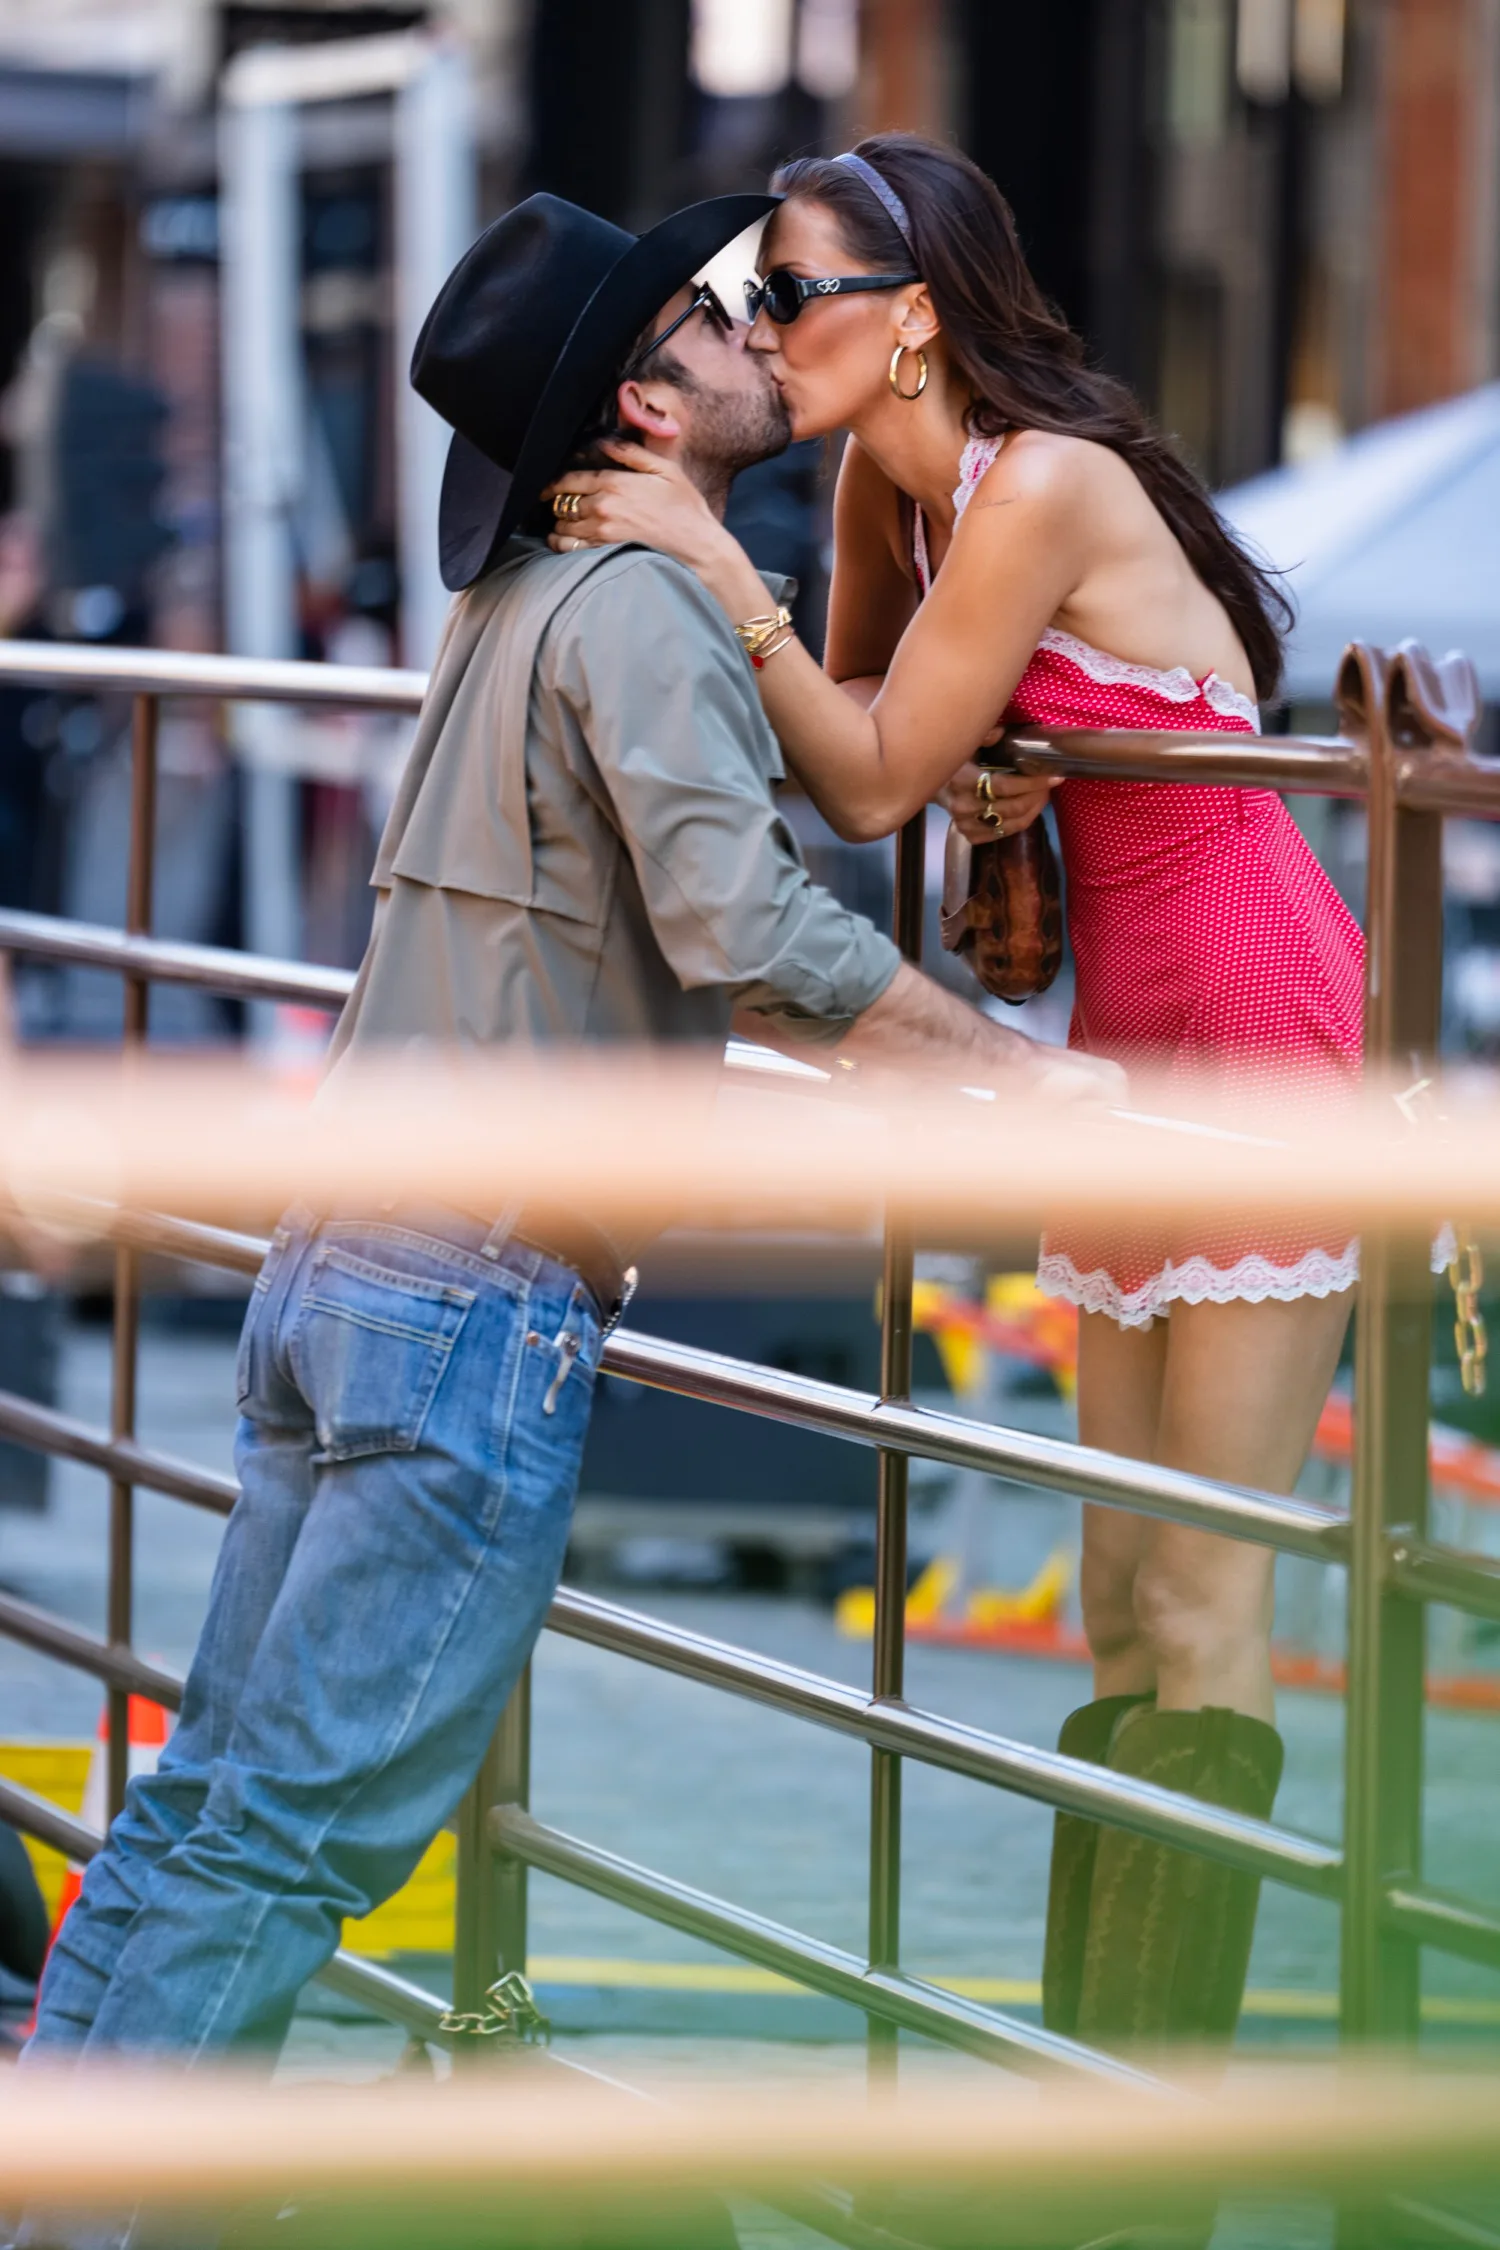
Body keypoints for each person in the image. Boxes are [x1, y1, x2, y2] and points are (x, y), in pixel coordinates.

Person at [21, 186, 1115, 2127]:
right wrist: (1005, 1083)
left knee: (211, 1805)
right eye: (713, 318)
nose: (751, 332)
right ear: (646, 411)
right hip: (469, 1300)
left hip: (343, 1257)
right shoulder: (639, 611)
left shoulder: (518, 598)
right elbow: (754, 938)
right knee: (278, 1840)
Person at [542, 134, 1366, 2065]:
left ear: (912, 320)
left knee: (1198, 1591)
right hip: (1124, 1041)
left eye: (793, 294)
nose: (762, 331)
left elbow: (871, 769)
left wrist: (698, 558)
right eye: (753, 299)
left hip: (1256, 1024)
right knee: (1106, 1587)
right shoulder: (876, 503)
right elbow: (841, 741)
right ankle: (1096, 2091)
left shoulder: (1044, 487)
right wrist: (929, 721)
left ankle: (1147, 2139)